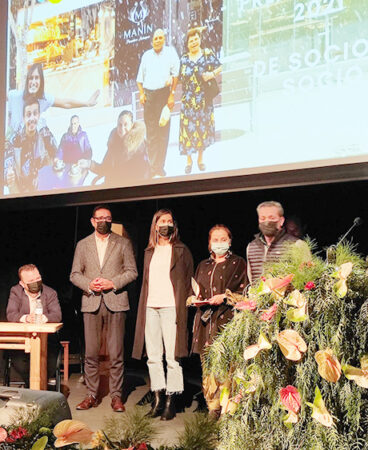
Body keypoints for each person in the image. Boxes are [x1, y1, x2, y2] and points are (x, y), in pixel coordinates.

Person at [70, 205, 138, 412]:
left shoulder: (123, 243)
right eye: (99, 218)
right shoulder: (83, 245)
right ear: (92, 221)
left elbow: (132, 271)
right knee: (91, 353)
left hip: (116, 301)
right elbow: (74, 274)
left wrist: (113, 283)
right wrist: (89, 284)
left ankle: (116, 396)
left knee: (116, 352)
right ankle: (91, 395)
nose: (103, 221)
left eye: (107, 218)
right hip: (91, 302)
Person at [132, 209, 194, 421]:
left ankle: (171, 400)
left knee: (172, 357)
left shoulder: (181, 250)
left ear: (173, 226)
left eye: (169, 221)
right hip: (151, 307)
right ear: (155, 225)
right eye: (161, 221)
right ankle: (157, 398)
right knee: (153, 357)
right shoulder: (149, 251)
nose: (165, 225)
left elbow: (187, 282)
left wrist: (183, 308)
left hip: (171, 308)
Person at [190, 225, 247, 418]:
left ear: (230, 241)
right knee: (208, 366)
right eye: (215, 239)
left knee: (228, 365)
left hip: (227, 320)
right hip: (205, 322)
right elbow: (195, 290)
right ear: (209, 243)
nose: (219, 243)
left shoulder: (238, 263)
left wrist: (225, 296)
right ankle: (212, 407)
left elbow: (245, 292)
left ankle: (228, 409)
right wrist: (194, 299)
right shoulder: (203, 265)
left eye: (223, 239)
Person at [6, 264, 63, 384]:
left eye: (37, 279)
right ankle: (32, 387)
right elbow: (11, 314)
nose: (35, 283)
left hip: (47, 341)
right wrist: (26, 318)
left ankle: (39, 388)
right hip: (22, 340)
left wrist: (43, 318)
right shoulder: (16, 291)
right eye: (31, 281)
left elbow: (57, 316)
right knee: (21, 363)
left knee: (48, 364)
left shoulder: (50, 293)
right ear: (22, 284)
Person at [6, 63, 100, 135]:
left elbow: (65, 103)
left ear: (41, 81)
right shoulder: (15, 96)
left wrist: (86, 103)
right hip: (13, 147)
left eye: (37, 78)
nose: (33, 82)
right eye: (31, 78)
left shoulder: (44, 98)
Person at [136, 29, 180, 177]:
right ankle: (153, 167)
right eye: (156, 38)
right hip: (149, 96)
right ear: (152, 40)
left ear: (164, 39)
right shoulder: (146, 56)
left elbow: (175, 75)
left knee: (163, 133)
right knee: (151, 133)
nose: (158, 40)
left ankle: (160, 166)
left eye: (161, 38)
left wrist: (172, 95)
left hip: (163, 95)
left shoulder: (170, 53)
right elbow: (139, 79)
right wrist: (142, 94)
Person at [178, 28, 221, 174]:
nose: (194, 42)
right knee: (188, 130)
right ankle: (189, 160)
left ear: (200, 40)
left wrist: (212, 74)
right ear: (187, 44)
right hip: (188, 101)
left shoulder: (207, 54)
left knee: (202, 129)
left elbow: (220, 66)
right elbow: (177, 77)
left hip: (204, 100)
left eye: (196, 39)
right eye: (191, 41)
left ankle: (200, 159)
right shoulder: (183, 59)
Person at [4, 99, 57, 193]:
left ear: (39, 115)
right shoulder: (14, 139)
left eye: (35, 113)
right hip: (21, 190)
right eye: (28, 115)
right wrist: (8, 176)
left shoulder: (45, 134)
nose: (32, 118)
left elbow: (56, 156)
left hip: (41, 186)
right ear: (23, 118)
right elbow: (7, 168)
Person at [246, 201, 300, 284]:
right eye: (263, 218)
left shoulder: (296, 244)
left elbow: (305, 277)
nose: (267, 222)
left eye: (271, 218)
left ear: (281, 221)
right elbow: (250, 278)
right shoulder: (252, 247)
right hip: (258, 295)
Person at [91, 110, 149, 186]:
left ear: (131, 125)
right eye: (120, 124)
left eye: (125, 124)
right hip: (113, 188)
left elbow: (143, 175)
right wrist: (89, 164)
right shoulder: (114, 143)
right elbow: (105, 168)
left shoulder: (139, 146)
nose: (122, 128)